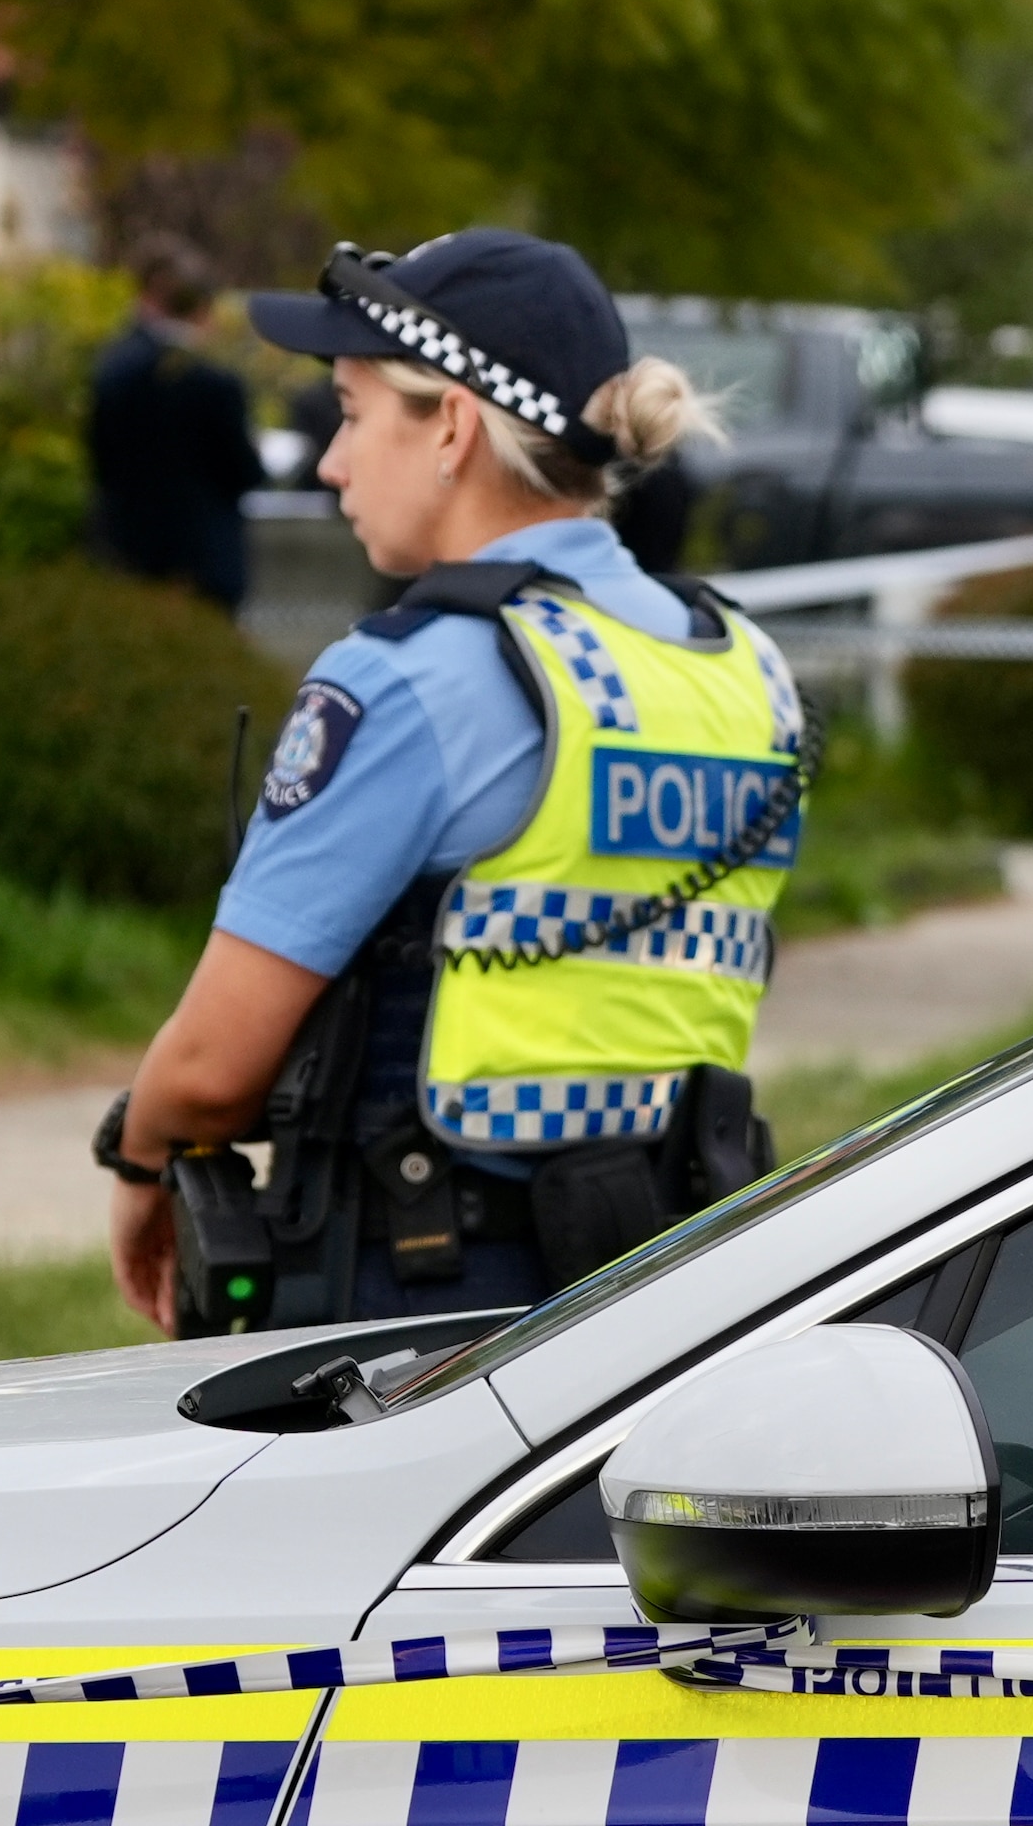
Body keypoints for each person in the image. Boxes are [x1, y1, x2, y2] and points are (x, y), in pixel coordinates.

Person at [94, 231, 803, 1335]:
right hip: (676, 1301)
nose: (331, 460)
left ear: (452, 427)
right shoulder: (739, 669)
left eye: (351, 409)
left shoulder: (408, 680)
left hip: (422, 1317)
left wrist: (140, 1167)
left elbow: (211, 1065)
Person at [81, 239, 267, 610]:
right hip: (204, 555)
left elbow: (100, 457)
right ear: (202, 307)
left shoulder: (112, 369)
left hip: (126, 551)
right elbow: (244, 471)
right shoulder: (214, 383)